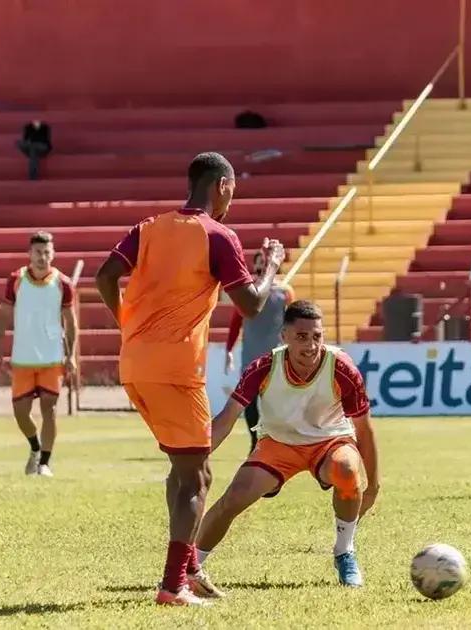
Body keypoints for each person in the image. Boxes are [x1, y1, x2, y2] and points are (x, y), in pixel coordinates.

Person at [95, 152, 285, 606]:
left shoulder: (149, 227)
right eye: (232, 191)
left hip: (135, 364)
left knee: (184, 470)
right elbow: (252, 305)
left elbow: (105, 276)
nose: (231, 200)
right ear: (222, 185)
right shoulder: (217, 235)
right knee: (197, 478)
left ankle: (189, 571)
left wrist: (127, 325)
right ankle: (172, 585)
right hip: (176, 370)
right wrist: (271, 268)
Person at [195, 300, 379, 592]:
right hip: (278, 445)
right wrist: (194, 460)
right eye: (301, 337)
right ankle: (189, 568)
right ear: (284, 336)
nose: (311, 345)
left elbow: (364, 429)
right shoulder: (264, 366)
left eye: (317, 336)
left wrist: (373, 486)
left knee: (346, 470)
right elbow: (227, 418)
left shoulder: (341, 367)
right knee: (234, 498)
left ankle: (344, 551)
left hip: (330, 442)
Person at [0, 231, 78, 477]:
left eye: (47, 252)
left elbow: (70, 322)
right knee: (21, 413)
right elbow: (3, 316)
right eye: (38, 252)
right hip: (23, 357)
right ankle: (35, 447)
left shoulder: (63, 283)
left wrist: (71, 355)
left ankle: (44, 463)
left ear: (53, 253)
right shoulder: (16, 280)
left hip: (52, 358)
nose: (42, 257)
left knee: (49, 410)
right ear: (29, 254)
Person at [224, 247, 294, 452]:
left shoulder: (285, 292)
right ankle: (255, 442)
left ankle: (275, 441)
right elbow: (236, 322)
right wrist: (229, 349)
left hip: (276, 355)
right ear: (254, 265)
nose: (262, 264)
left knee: (275, 402)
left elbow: (291, 322)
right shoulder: (247, 292)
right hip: (251, 356)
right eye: (259, 261)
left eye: (265, 261)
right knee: (250, 402)